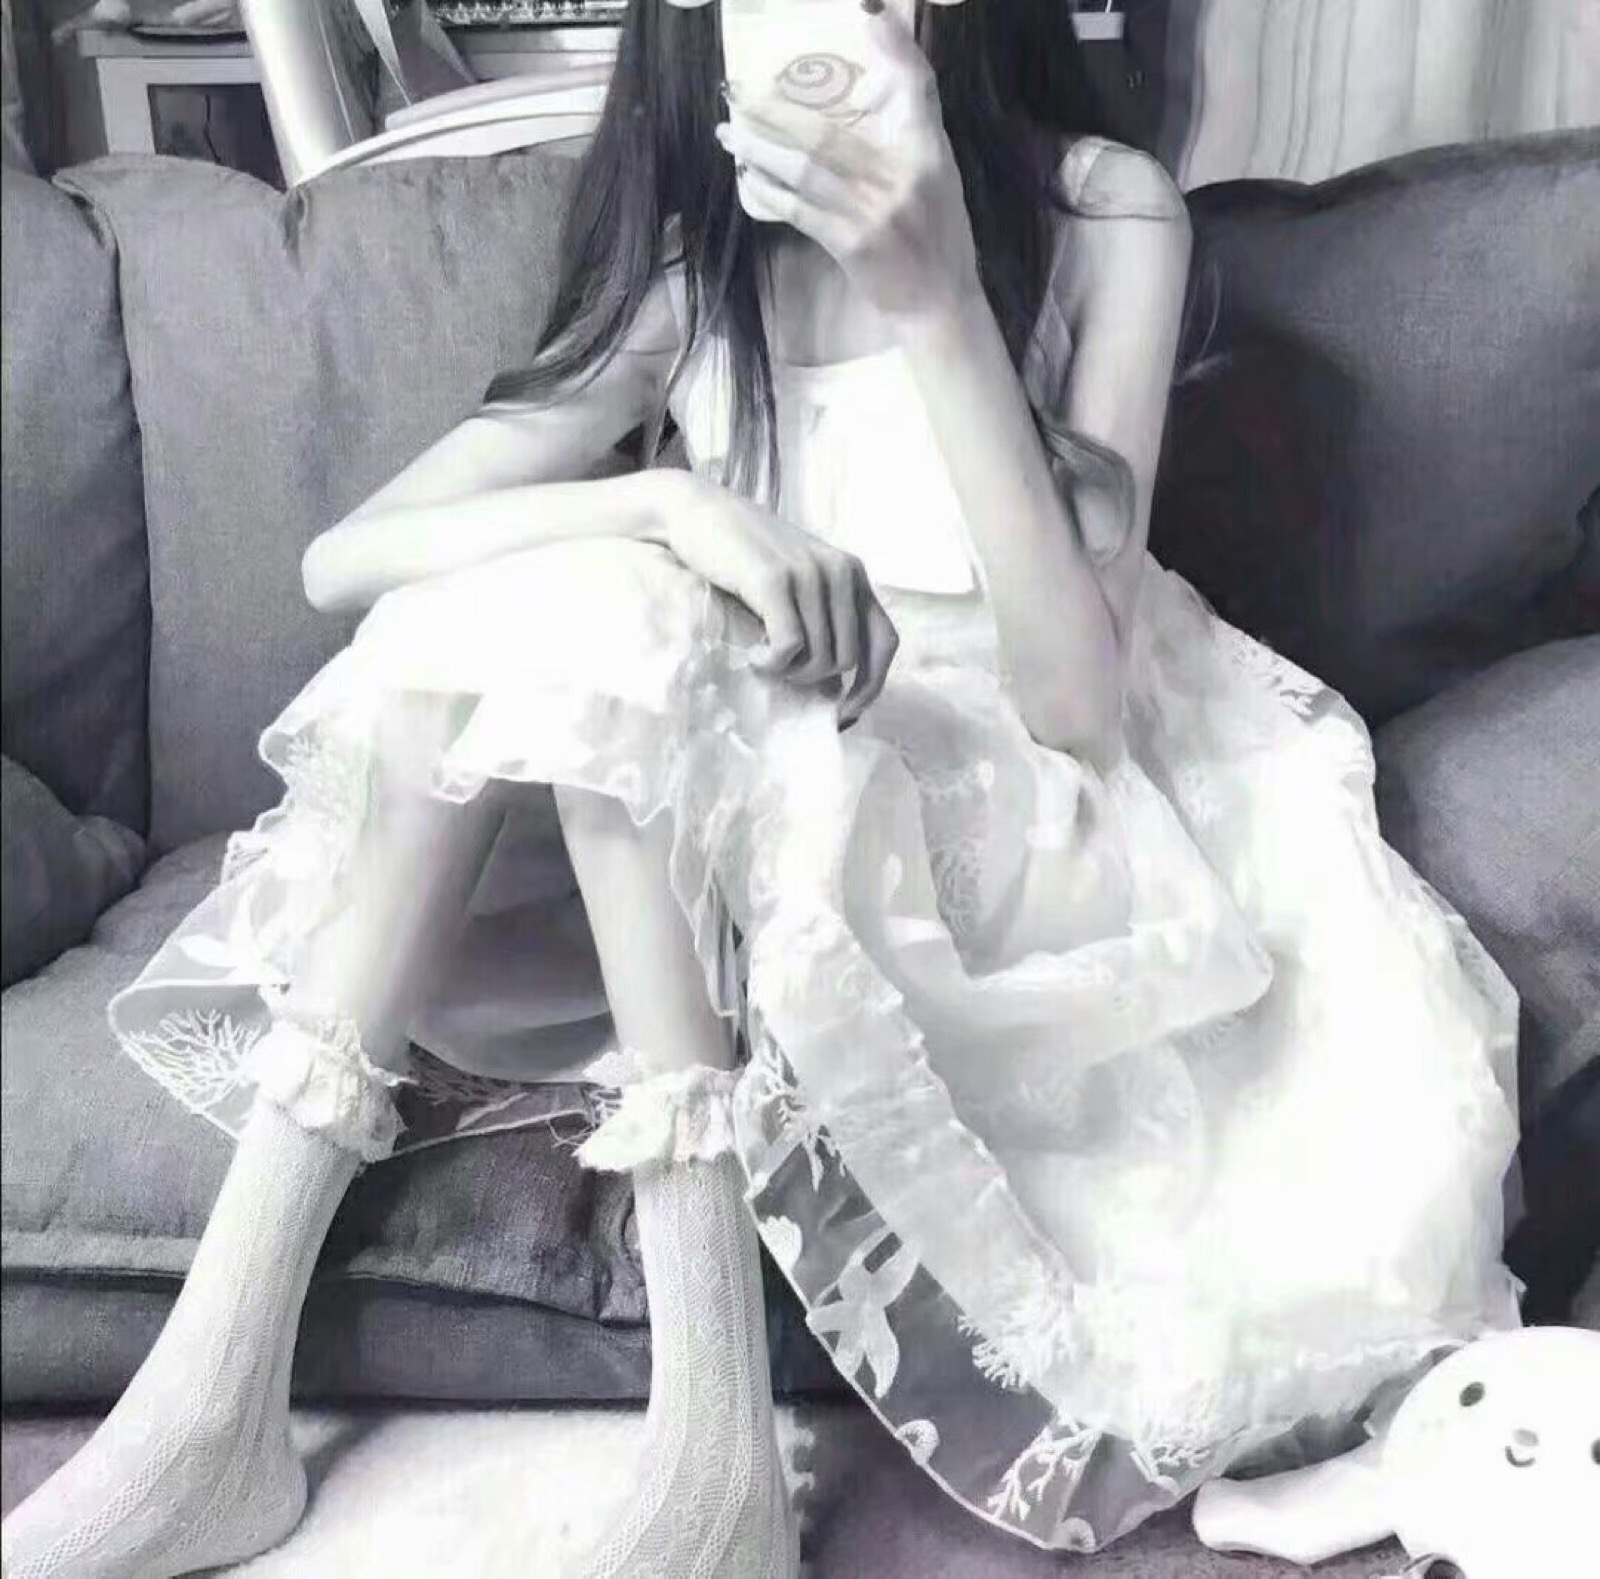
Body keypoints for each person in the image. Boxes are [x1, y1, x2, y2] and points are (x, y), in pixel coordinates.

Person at [1, 0, 1522, 1574]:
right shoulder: (701, 266)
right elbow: (348, 560)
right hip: (733, 820)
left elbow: (1077, 709)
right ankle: (212, 1404)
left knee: (622, 634)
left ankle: (706, 1455)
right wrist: (667, 506)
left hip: (1005, 821)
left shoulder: (1101, 211)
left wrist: (935, 295)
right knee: (561, 611)